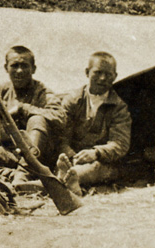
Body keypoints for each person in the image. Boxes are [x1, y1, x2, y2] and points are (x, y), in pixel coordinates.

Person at [54, 51, 132, 192]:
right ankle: (66, 179)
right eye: (97, 72)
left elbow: (120, 144)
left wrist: (96, 153)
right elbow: (61, 136)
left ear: (115, 77)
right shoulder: (73, 100)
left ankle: (65, 180)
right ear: (87, 72)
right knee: (63, 164)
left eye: (108, 74)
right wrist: (71, 156)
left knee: (95, 169)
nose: (102, 78)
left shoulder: (119, 108)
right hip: (71, 159)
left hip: (102, 163)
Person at [0, 46, 58, 170]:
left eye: (24, 66)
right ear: (6, 68)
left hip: (38, 155)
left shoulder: (43, 92)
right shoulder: (1, 91)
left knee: (37, 119)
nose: (19, 71)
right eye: (14, 65)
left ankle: (25, 170)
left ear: (33, 69)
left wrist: (22, 109)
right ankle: (11, 172)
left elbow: (59, 116)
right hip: (8, 152)